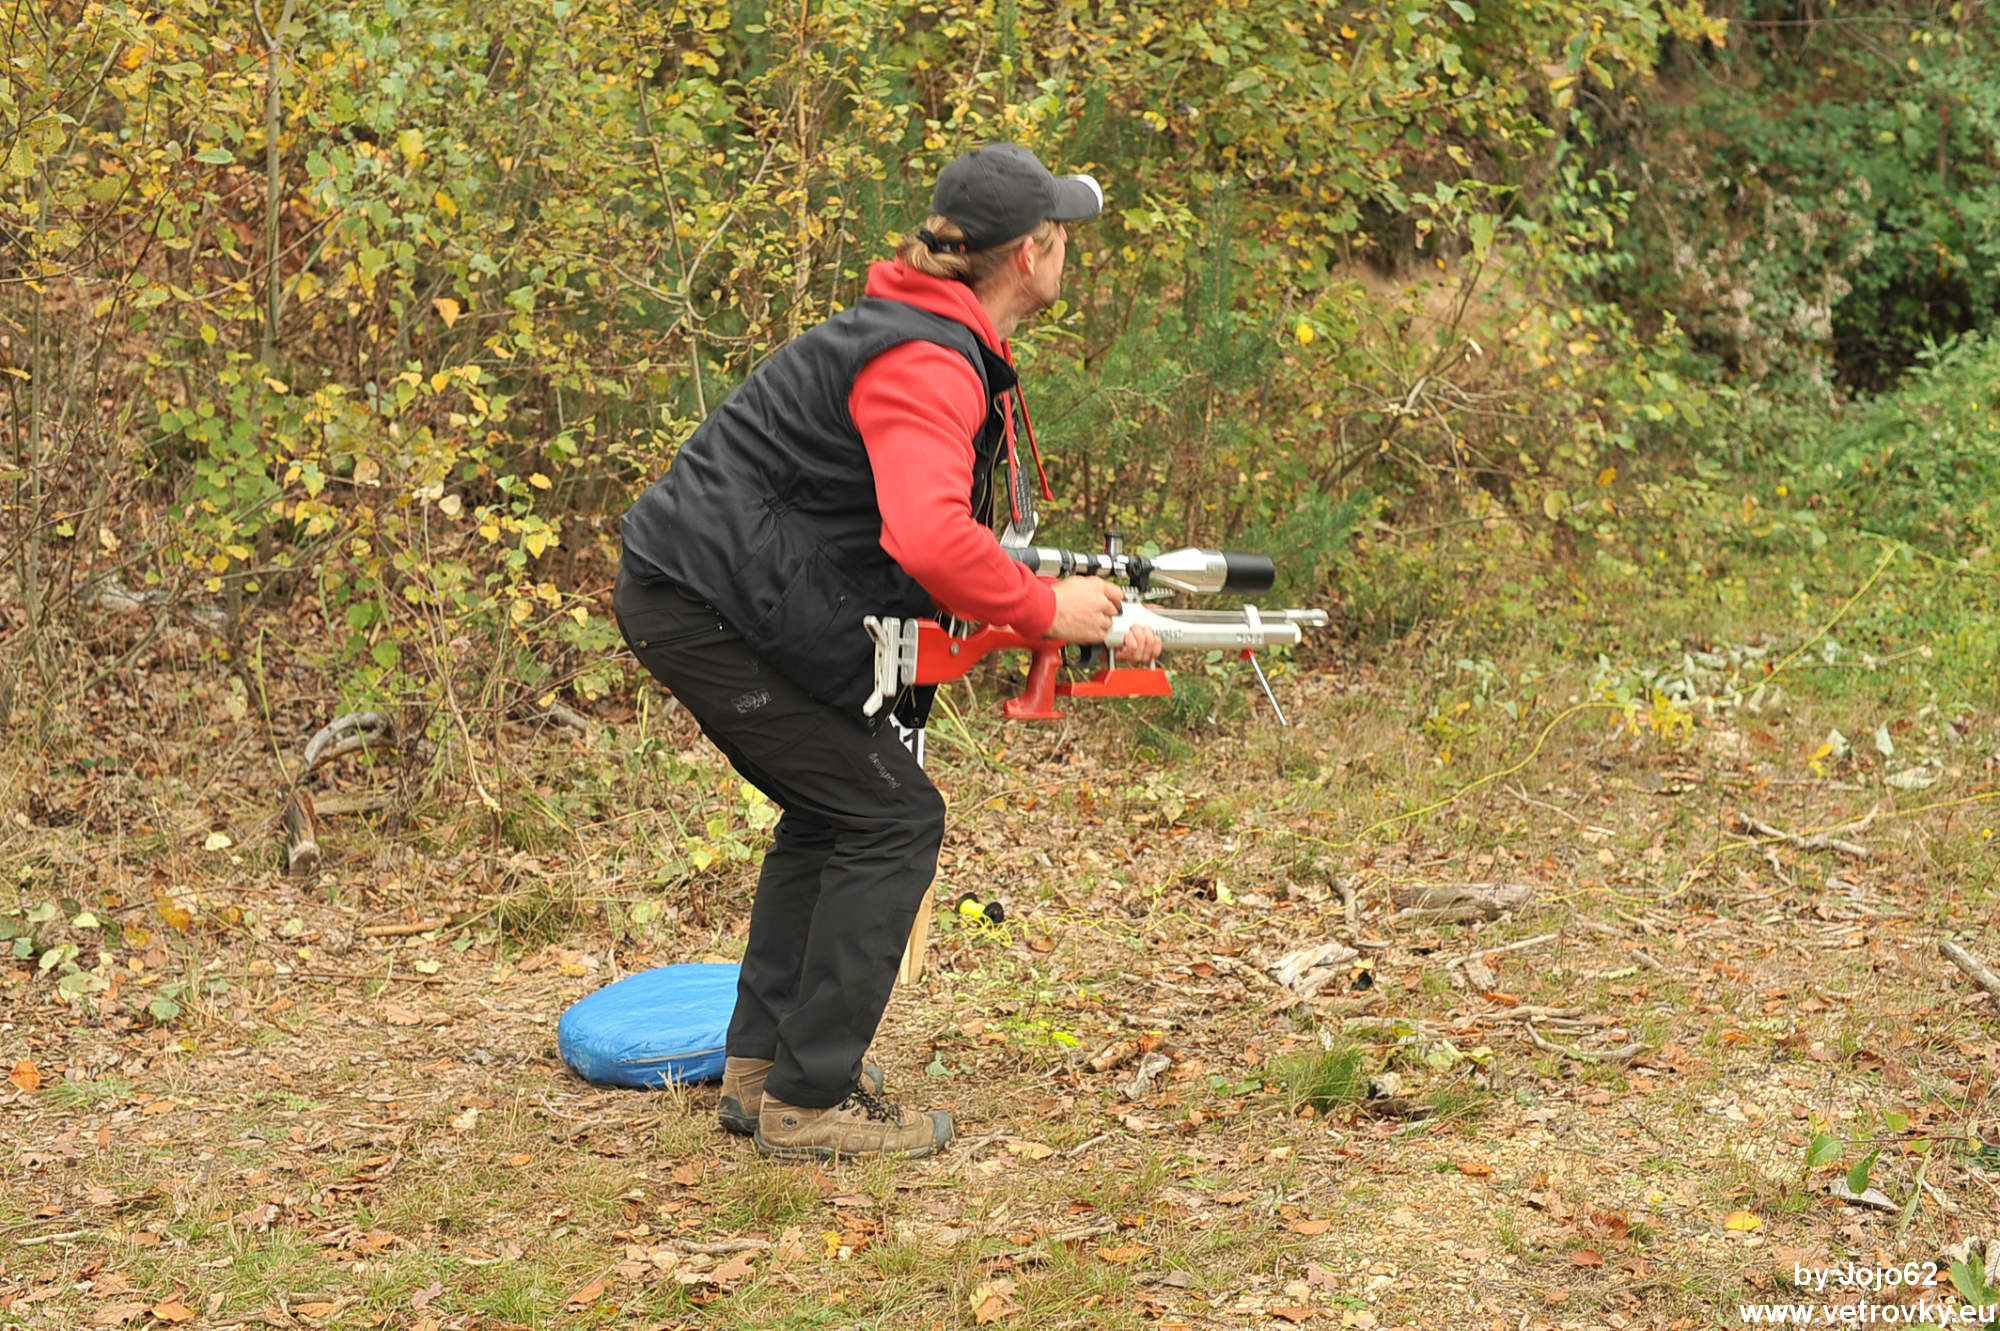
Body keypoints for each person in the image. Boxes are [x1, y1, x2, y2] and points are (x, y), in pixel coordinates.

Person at [614, 144, 1161, 1161]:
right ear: (1030, 254)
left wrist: (1036, 610)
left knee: (836, 811)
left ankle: (761, 1072)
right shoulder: (925, 359)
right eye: (1062, 237)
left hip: (712, 595)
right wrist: (1044, 607)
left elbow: (914, 541)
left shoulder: (927, 334)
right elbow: (928, 536)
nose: (1068, 254)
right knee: (891, 815)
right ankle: (808, 1100)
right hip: (704, 603)